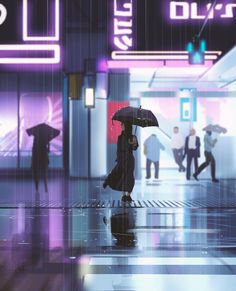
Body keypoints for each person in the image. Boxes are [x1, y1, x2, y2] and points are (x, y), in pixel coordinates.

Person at [103, 122, 138, 202]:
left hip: (129, 159)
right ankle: (123, 195)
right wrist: (118, 158)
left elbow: (135, 148)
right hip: (122, 159)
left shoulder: (132, 137)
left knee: (129, 177)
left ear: (127, 126)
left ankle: (128, 195)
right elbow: (118, 149)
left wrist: (133, 143)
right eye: (121, 125)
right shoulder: (120, 137)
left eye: (123, 125)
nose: (121, 126)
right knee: (121, 176)